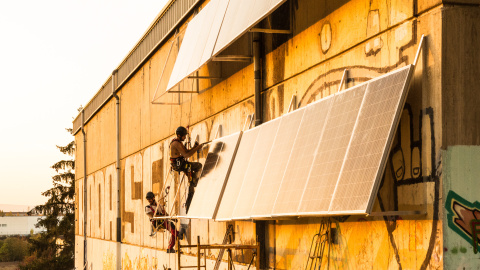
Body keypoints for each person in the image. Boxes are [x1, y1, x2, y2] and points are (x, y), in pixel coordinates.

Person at [169, 126, 204, 212]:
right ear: (179, 135)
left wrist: (194, 147)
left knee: (190, 179)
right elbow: (187, 155)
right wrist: (197, 148)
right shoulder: (176, 144)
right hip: (180, 165)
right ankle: (194, 182)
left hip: (181, 164)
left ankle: (189, 204)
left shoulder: (178, 142)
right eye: (184, 136)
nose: (185, 137)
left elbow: (187, 152)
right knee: (198, 166)